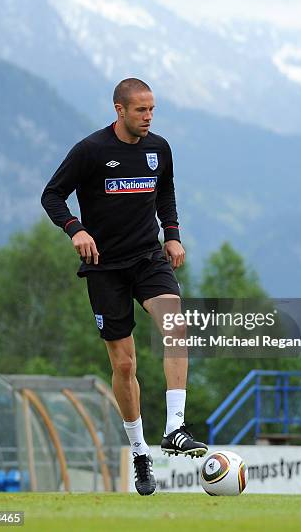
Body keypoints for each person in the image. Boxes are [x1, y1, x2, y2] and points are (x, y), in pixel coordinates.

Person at [41, 78, 207, 495]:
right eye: (141, 111)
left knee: (175, 327)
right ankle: (139, 451)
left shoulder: (159, 148)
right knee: (125, 365)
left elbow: (164, 190)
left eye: (152, 110)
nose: (148, 117)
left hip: (148, 258)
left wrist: (171, 234)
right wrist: (75, 230)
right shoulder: (91, 151)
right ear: (119, 110)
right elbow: (52, 194)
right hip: (104, 267)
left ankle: (175, 428)